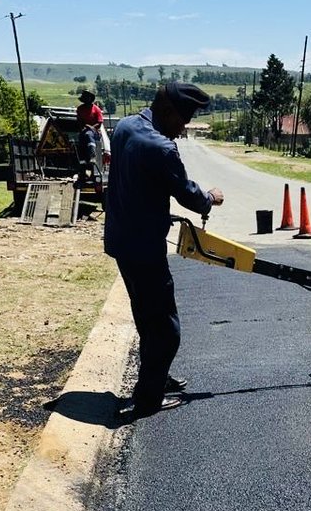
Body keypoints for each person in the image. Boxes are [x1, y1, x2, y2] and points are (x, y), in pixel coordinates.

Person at [104, 82, 224, 416]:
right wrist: (210, 198)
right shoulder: (160, 147)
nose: (183, 127)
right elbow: (187, 193)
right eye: (183, 119)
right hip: (144, 247)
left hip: (121, 240)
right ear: (168, 111)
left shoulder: (126, 126)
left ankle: (158, 376)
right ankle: (148, 401)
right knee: (166, 329)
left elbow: (142, 183)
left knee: (147, 317)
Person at [76, 89, 104, 168]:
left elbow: (99, 122)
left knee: (88, 134)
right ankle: (82, 160)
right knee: (81, 137)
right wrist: (84, 127)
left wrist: (91, 127)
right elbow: (79, 121)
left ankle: (92, 156)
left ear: (90, 98)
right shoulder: (80, 109)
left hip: (95, 132)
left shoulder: (96, 109)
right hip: (84, 130)